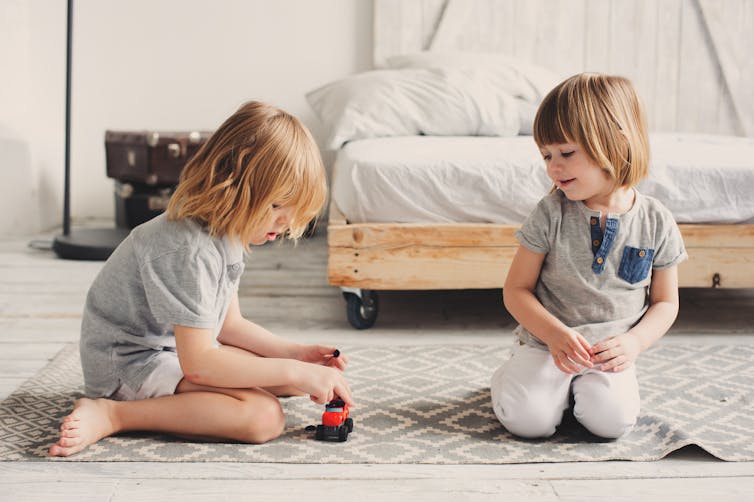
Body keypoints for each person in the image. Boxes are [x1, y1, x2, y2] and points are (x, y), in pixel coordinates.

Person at [50, 101, 353, 457]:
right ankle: (114, 414)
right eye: (275, 206)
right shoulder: (188, 250)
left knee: (289, 378)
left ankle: (276, 375)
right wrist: (293, 370)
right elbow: (201, 364)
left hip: (173, 350)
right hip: (129, 364)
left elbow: (228, 325)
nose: (284, 222)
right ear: (232, 185)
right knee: (263, 418)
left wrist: (296, 355)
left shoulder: (227, 230)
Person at [490, 73, 687, 439]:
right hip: (546, 342)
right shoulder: (551, 213)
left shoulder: (655, 219)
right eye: (546, 155)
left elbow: (665, 303)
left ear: (614, 144)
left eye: (566, 153)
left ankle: (573, 392)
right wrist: (553, 335)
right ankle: (512, 377)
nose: (553, 167)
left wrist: (633, 343)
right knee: (528, 422)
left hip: (607, 353)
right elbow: (516, 290)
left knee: (612, 425)